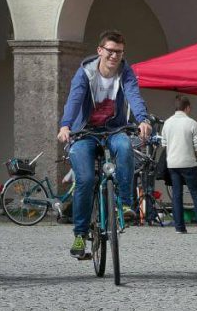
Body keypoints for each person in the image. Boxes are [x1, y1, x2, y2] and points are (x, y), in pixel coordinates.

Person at [57, 30, 152, 258]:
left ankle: (126, 205)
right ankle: (80, 235)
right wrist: (65, 125)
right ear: (100, 51)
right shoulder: (85, 73)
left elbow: (134, 95)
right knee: (86, 179)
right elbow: (75, 98)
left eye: (119, 52)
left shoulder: (125, 73)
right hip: (84, 133)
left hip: (115, 130)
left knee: (126, 147)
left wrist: (143, 120)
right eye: (110, 51)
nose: (114, 56)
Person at [161, 95, 197, 234]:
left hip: (172, 163)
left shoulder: (167, 123)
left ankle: (179, 227)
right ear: (187, 107)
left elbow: (163, 143)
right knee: (196, 194)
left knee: (176, 195)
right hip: (188, 162)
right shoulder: (192, 123)